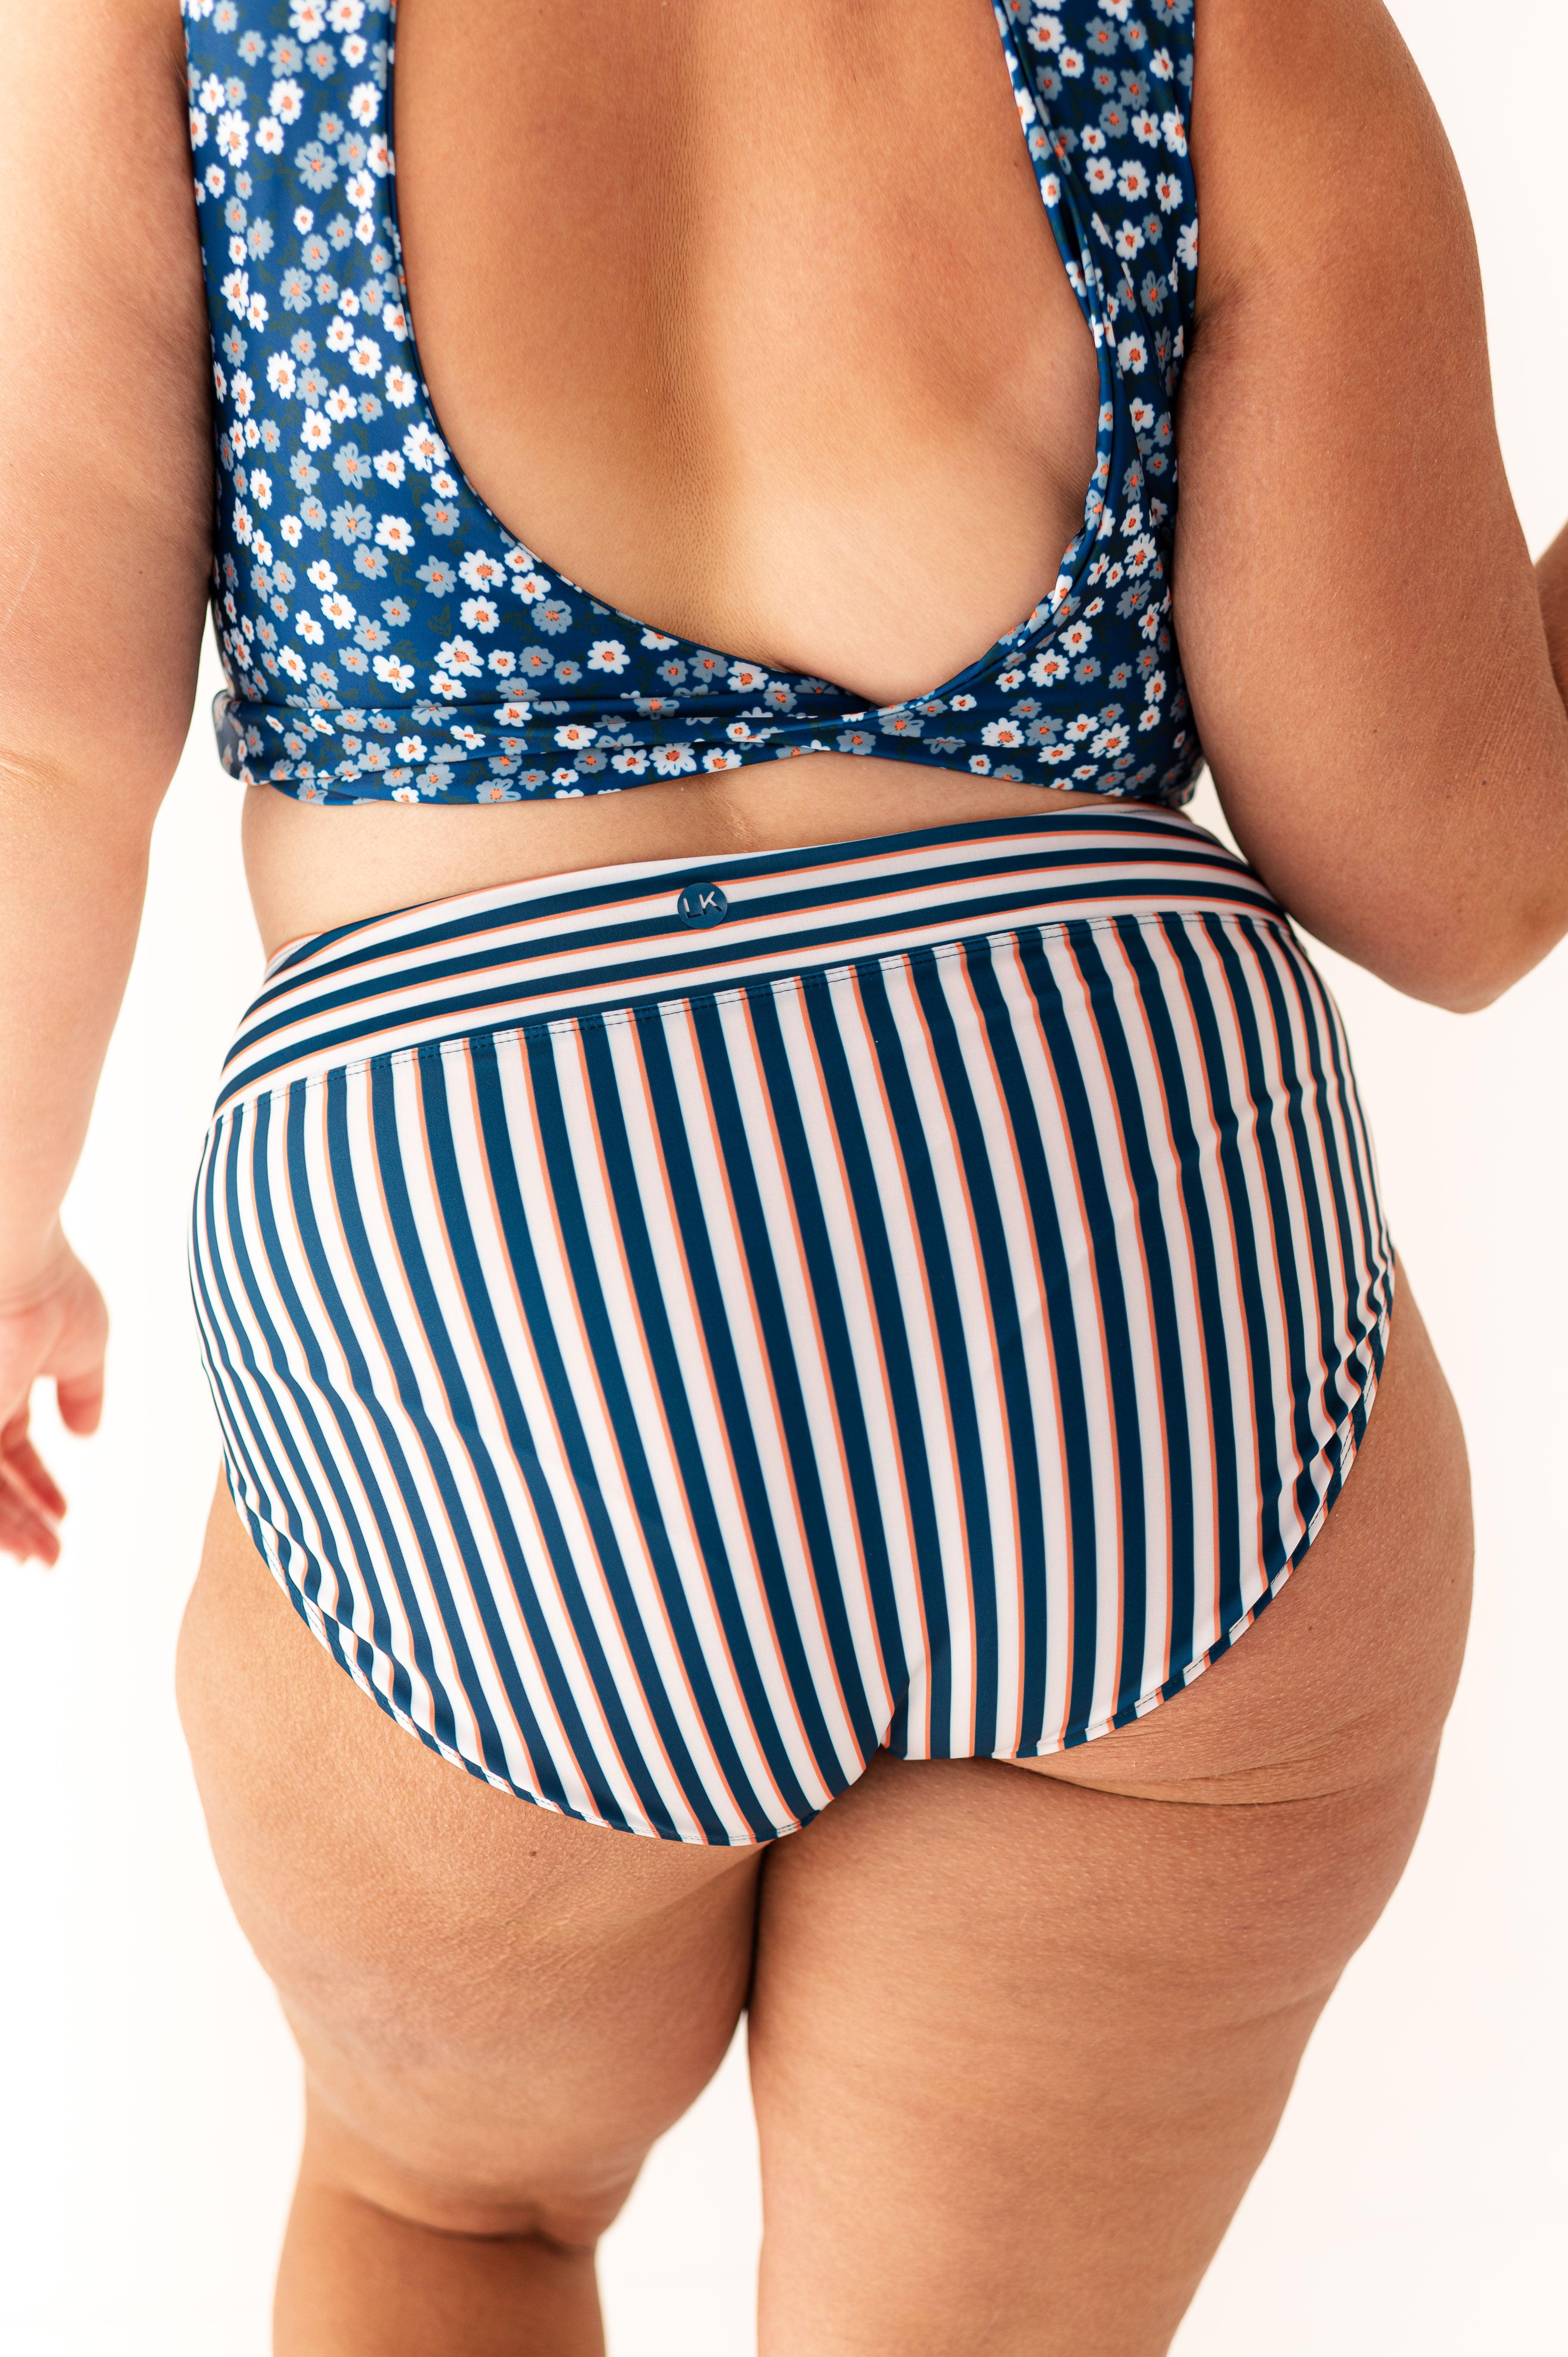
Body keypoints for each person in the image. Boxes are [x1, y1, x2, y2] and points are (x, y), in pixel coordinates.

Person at [3, 0, 1567, 2347]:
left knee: (460, 2213)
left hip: (504, 1381)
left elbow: (32, 735)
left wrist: (11, 1233)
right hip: (1139, 1344)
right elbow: (1449, 879)